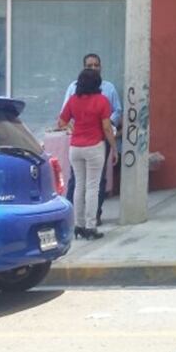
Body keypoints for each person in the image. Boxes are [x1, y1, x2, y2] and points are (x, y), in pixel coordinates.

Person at [57, 68, 117, 240]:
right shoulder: (102, 101)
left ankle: (78, 225)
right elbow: (107, 127)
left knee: (79, 186)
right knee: (92, 187)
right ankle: (91, 226)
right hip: (94, 146)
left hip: (75, 147)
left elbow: (61, 122)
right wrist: (114, 147)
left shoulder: (73, 100)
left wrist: (72, 128)